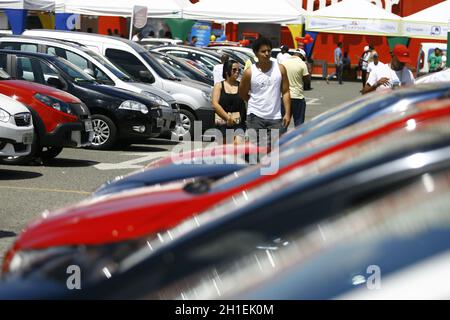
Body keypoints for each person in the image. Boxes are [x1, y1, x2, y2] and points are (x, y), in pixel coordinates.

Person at [239, 37, 291, 149]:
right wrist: (254, 102)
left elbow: (286, 91)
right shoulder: (249, 73)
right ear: (256, 54)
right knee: (255, 151)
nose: (267, 54)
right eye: (263, 51)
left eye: (269, 51)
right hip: (255, 117)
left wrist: (287, 113)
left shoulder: (280, 69)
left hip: (275, 118)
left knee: (274, 151)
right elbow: (242, 92)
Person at [212, 60, 246, 144]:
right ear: (227, 71)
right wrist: (228, 118)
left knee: (238, 146)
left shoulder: (241, 85)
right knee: (225, 151)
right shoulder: (219, 86)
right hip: (222, 123)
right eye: (234, 70)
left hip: (238, 123)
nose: (237, 72)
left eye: (239, 70)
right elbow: (215, 104)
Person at [281, 48, 310, 126]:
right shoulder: (302, 64)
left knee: (283, 122)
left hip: (284, 97)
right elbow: (307, 81)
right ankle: (298, 138)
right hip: (297, 97)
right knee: (299, 123)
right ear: (301, 56)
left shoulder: (284, 62)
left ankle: (280, 138)